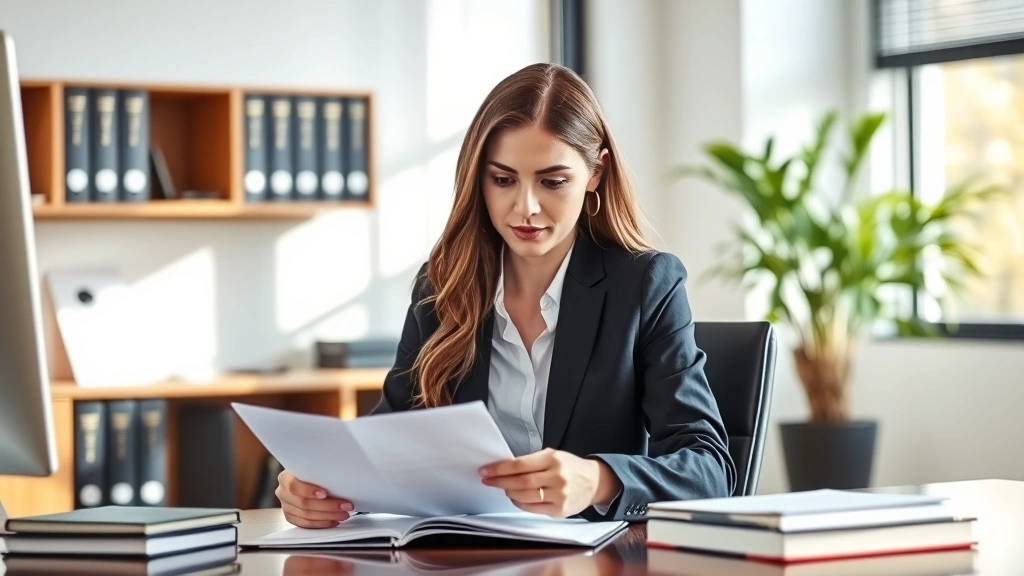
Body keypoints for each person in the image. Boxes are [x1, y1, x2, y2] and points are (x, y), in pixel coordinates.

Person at [276, 63, 736, 528]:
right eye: (503, 179)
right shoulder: (441, 288)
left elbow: (710, 471)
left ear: (596, 172)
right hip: (468, 559)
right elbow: (387, 444)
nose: (526, 207)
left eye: (553, 182)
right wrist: (320, 485)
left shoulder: (645, 285)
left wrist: (597, 480)